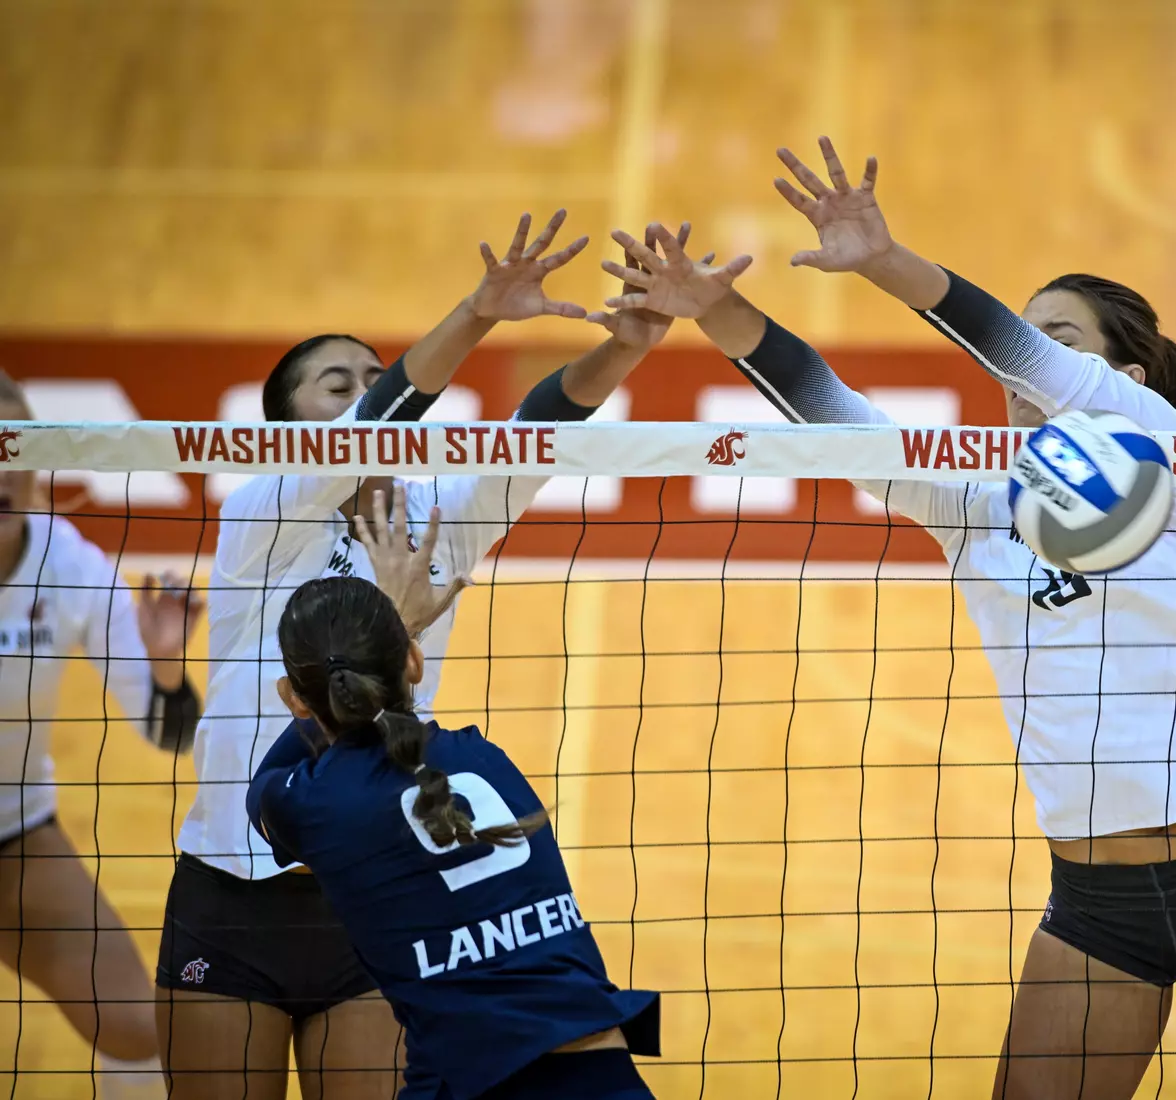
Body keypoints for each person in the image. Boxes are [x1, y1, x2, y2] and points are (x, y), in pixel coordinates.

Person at [595, 137, 1176, 1099]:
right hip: (1100, 908)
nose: (1018, 363)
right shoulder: (975, 507)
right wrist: (716, 311)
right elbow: (833, 413)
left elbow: (1008, 345)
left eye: (1058, 342)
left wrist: (886, 261)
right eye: (1026, 344)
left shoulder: (1163, 453)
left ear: (1127, 380)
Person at [155, 213, 684, 1099]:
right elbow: (378, 422)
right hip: (230, 892)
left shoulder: (440, 513)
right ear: (286, 430)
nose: (366, 396)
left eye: (374, 378)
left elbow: (535, 432)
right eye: (337, 386)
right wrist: (478, 311)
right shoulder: (263, 514)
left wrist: (625, 347)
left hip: (381, 893)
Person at [245, 492, 657, 1100]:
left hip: (477, 1080)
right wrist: (392, 633)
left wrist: (395, 627)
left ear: (295, 700)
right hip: (601, 1077)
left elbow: (262, 790)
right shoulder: (485, 758)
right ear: (414, 663)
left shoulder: (315, 805)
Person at [0, 372, 201, 1099]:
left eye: (16, 450)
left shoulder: (67, 561)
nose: (4, 471)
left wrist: (167, 667)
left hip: (14, 837)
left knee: (139, 1030)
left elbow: (171, 734)